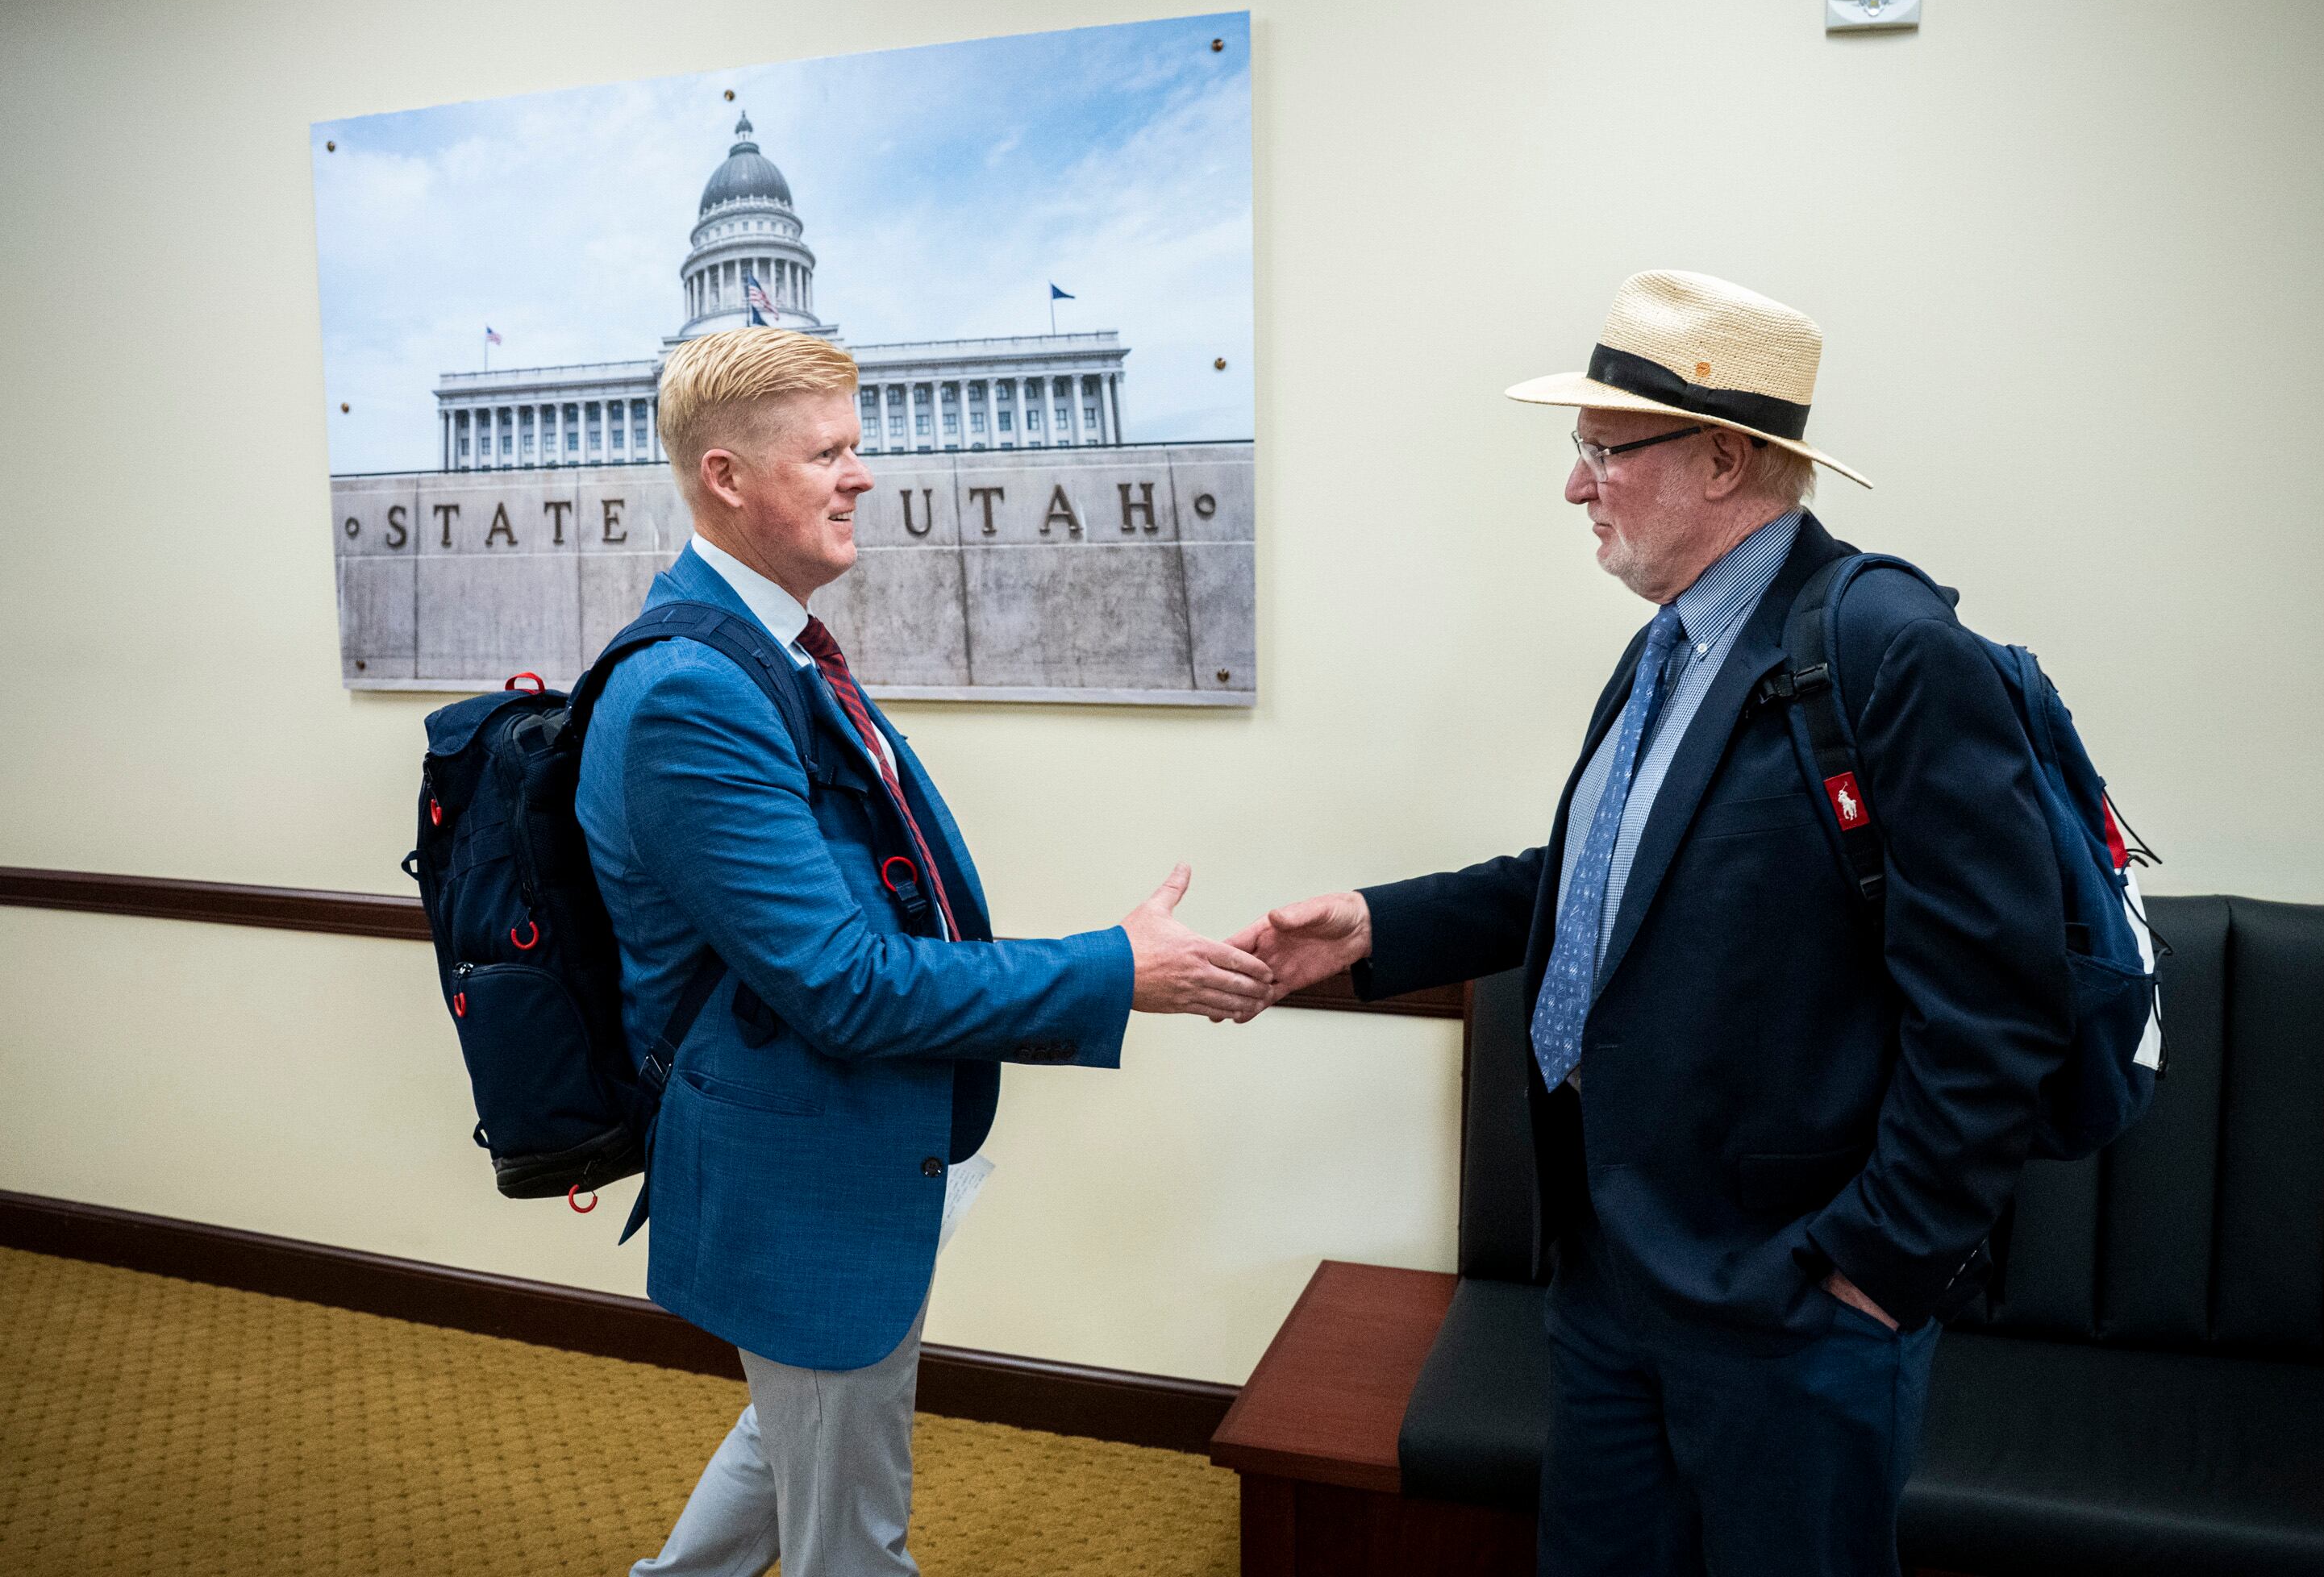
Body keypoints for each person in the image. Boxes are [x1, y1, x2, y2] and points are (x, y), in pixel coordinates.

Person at [1231, 272, 2071, 1576]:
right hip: (1613, 1271)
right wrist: (1372, 926)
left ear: (1725, 459)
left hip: (1791, 1306)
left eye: (1601, 452)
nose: (1575, 487)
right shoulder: (1668, 643)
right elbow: (1594, 882)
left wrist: (1871, 1269)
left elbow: (1998, 1002)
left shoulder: (1889, 650)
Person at [576, 326, 1273, 1577]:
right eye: (829, 452)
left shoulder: (767, 651)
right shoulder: (695, 688)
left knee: (802, 1426)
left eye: (859, 445)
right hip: (803, 1161)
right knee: (855, 1536)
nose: (864, 475)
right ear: (727, 478)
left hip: (852, 1139)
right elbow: (845, 981)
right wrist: (1118, 968)